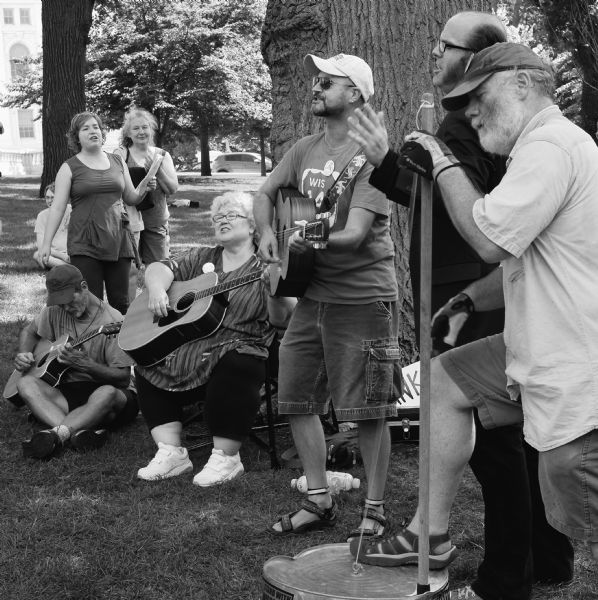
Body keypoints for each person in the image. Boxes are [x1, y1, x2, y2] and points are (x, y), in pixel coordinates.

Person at [349, 42, 598, 573]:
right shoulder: (539, 149)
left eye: (479, 96)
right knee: (443, 383)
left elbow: (489, 238)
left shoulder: (551, 146)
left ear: (523, 85)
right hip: (531, 344)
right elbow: (527, 260)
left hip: (573, 362)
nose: (470, 111)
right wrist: (468, 298)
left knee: (573, 498)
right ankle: (428, 534)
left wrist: (441, 159)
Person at [254, 53, 400, 537]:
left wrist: (308, 238)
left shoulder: (370, 158)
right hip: (311, 294)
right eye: (315, 80)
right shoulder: (304, 148)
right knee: (295, 396)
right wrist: (265, 234)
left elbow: (356, 233)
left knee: (369, 409)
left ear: (355, 94)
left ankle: (375, 510)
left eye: (327, 82)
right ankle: (319, 500)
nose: (315, 87)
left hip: (362, 298)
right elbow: (265, 193)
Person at [135, 192, 295, 486]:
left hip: (247, 342)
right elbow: (159, 267)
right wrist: (158, 289)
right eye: (217, 217)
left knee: (236, 358)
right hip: (193, 344)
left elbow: (282, 319)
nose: (222, 221)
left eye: (230, 215)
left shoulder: (269, 262)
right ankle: (171, 452)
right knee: (148, 356)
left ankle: (226, 457)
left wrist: (274, 290)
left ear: (252, 226)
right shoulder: (202, 257)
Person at [39, 111, 161, 315]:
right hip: (84, 241)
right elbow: (58, 208)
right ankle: (94, 344)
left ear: (102, 133)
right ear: (76, 137)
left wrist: (145, 188)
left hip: (118, 238)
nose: (92, 131)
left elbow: (131, 197)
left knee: (121, 302)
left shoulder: (117, 161)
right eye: (85, 128)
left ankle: (120, 345)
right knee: (92, 303)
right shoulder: (69, 167)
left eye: (95, 127)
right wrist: (46, 244)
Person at [16, 264, 138, 459]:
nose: (66, 308)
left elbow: (123, 379)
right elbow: (29, 332)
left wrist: (85, 364)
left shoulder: (111, 320)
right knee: (25, 383)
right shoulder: (53, 310)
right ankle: (77, 432)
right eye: (61, 303)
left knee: (105, 393)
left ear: (83, 287)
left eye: (69, 301)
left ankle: (57, 434)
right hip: (69, 391)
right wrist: (23, 353)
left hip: (108, 394)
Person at [114, 107, 178, 266]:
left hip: (156, 221)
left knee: (159, 268)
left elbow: (172, 189)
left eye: (145, 127)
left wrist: (157, 170)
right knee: (129, 271)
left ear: (151, 130)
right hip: (129, 222)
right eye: (135, 128)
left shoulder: (162, 155)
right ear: (128, 133)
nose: (141, 131)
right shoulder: (121, 154)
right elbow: (116, 187)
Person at [33, 182, 71, 269]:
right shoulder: (42, 216)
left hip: (73, 253)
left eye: (52, 197)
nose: (49, 201)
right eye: (47, 197)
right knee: (37, 255)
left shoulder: (71, 210)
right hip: (54, 254)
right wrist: (62, 256)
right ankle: (70, 268)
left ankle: (64, 267)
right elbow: (41, 246)